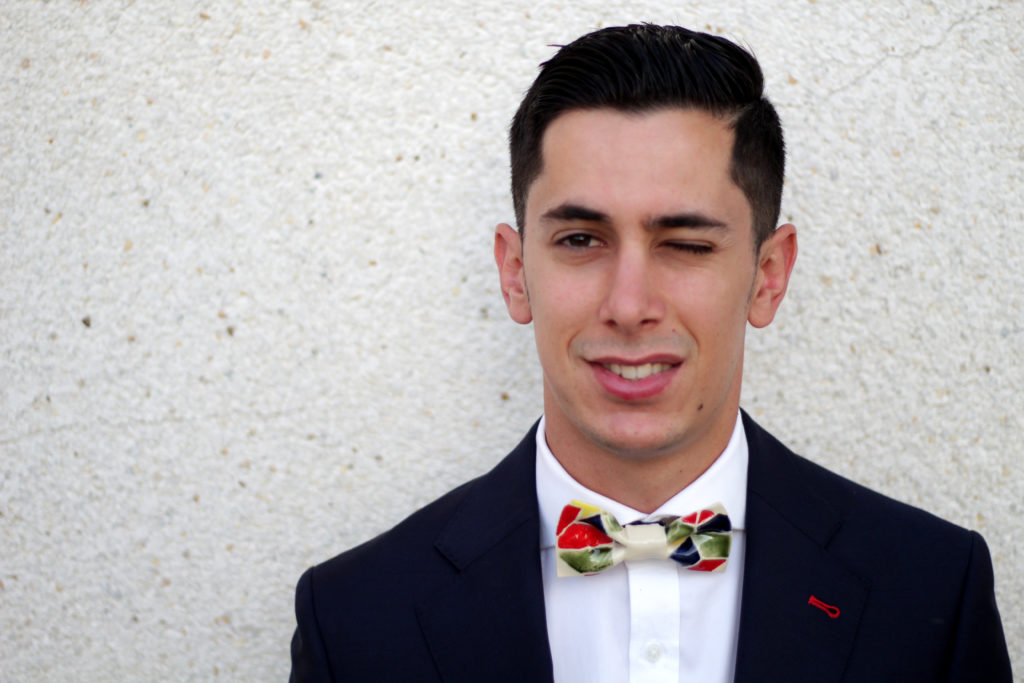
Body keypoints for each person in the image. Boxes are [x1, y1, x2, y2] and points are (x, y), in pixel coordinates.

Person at [289, 24, 1011, 682]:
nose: (629, 304)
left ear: (769, 276)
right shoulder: (354, 617)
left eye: (687, 244)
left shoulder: (931, 590)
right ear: (515, 273)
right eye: (580, 240)